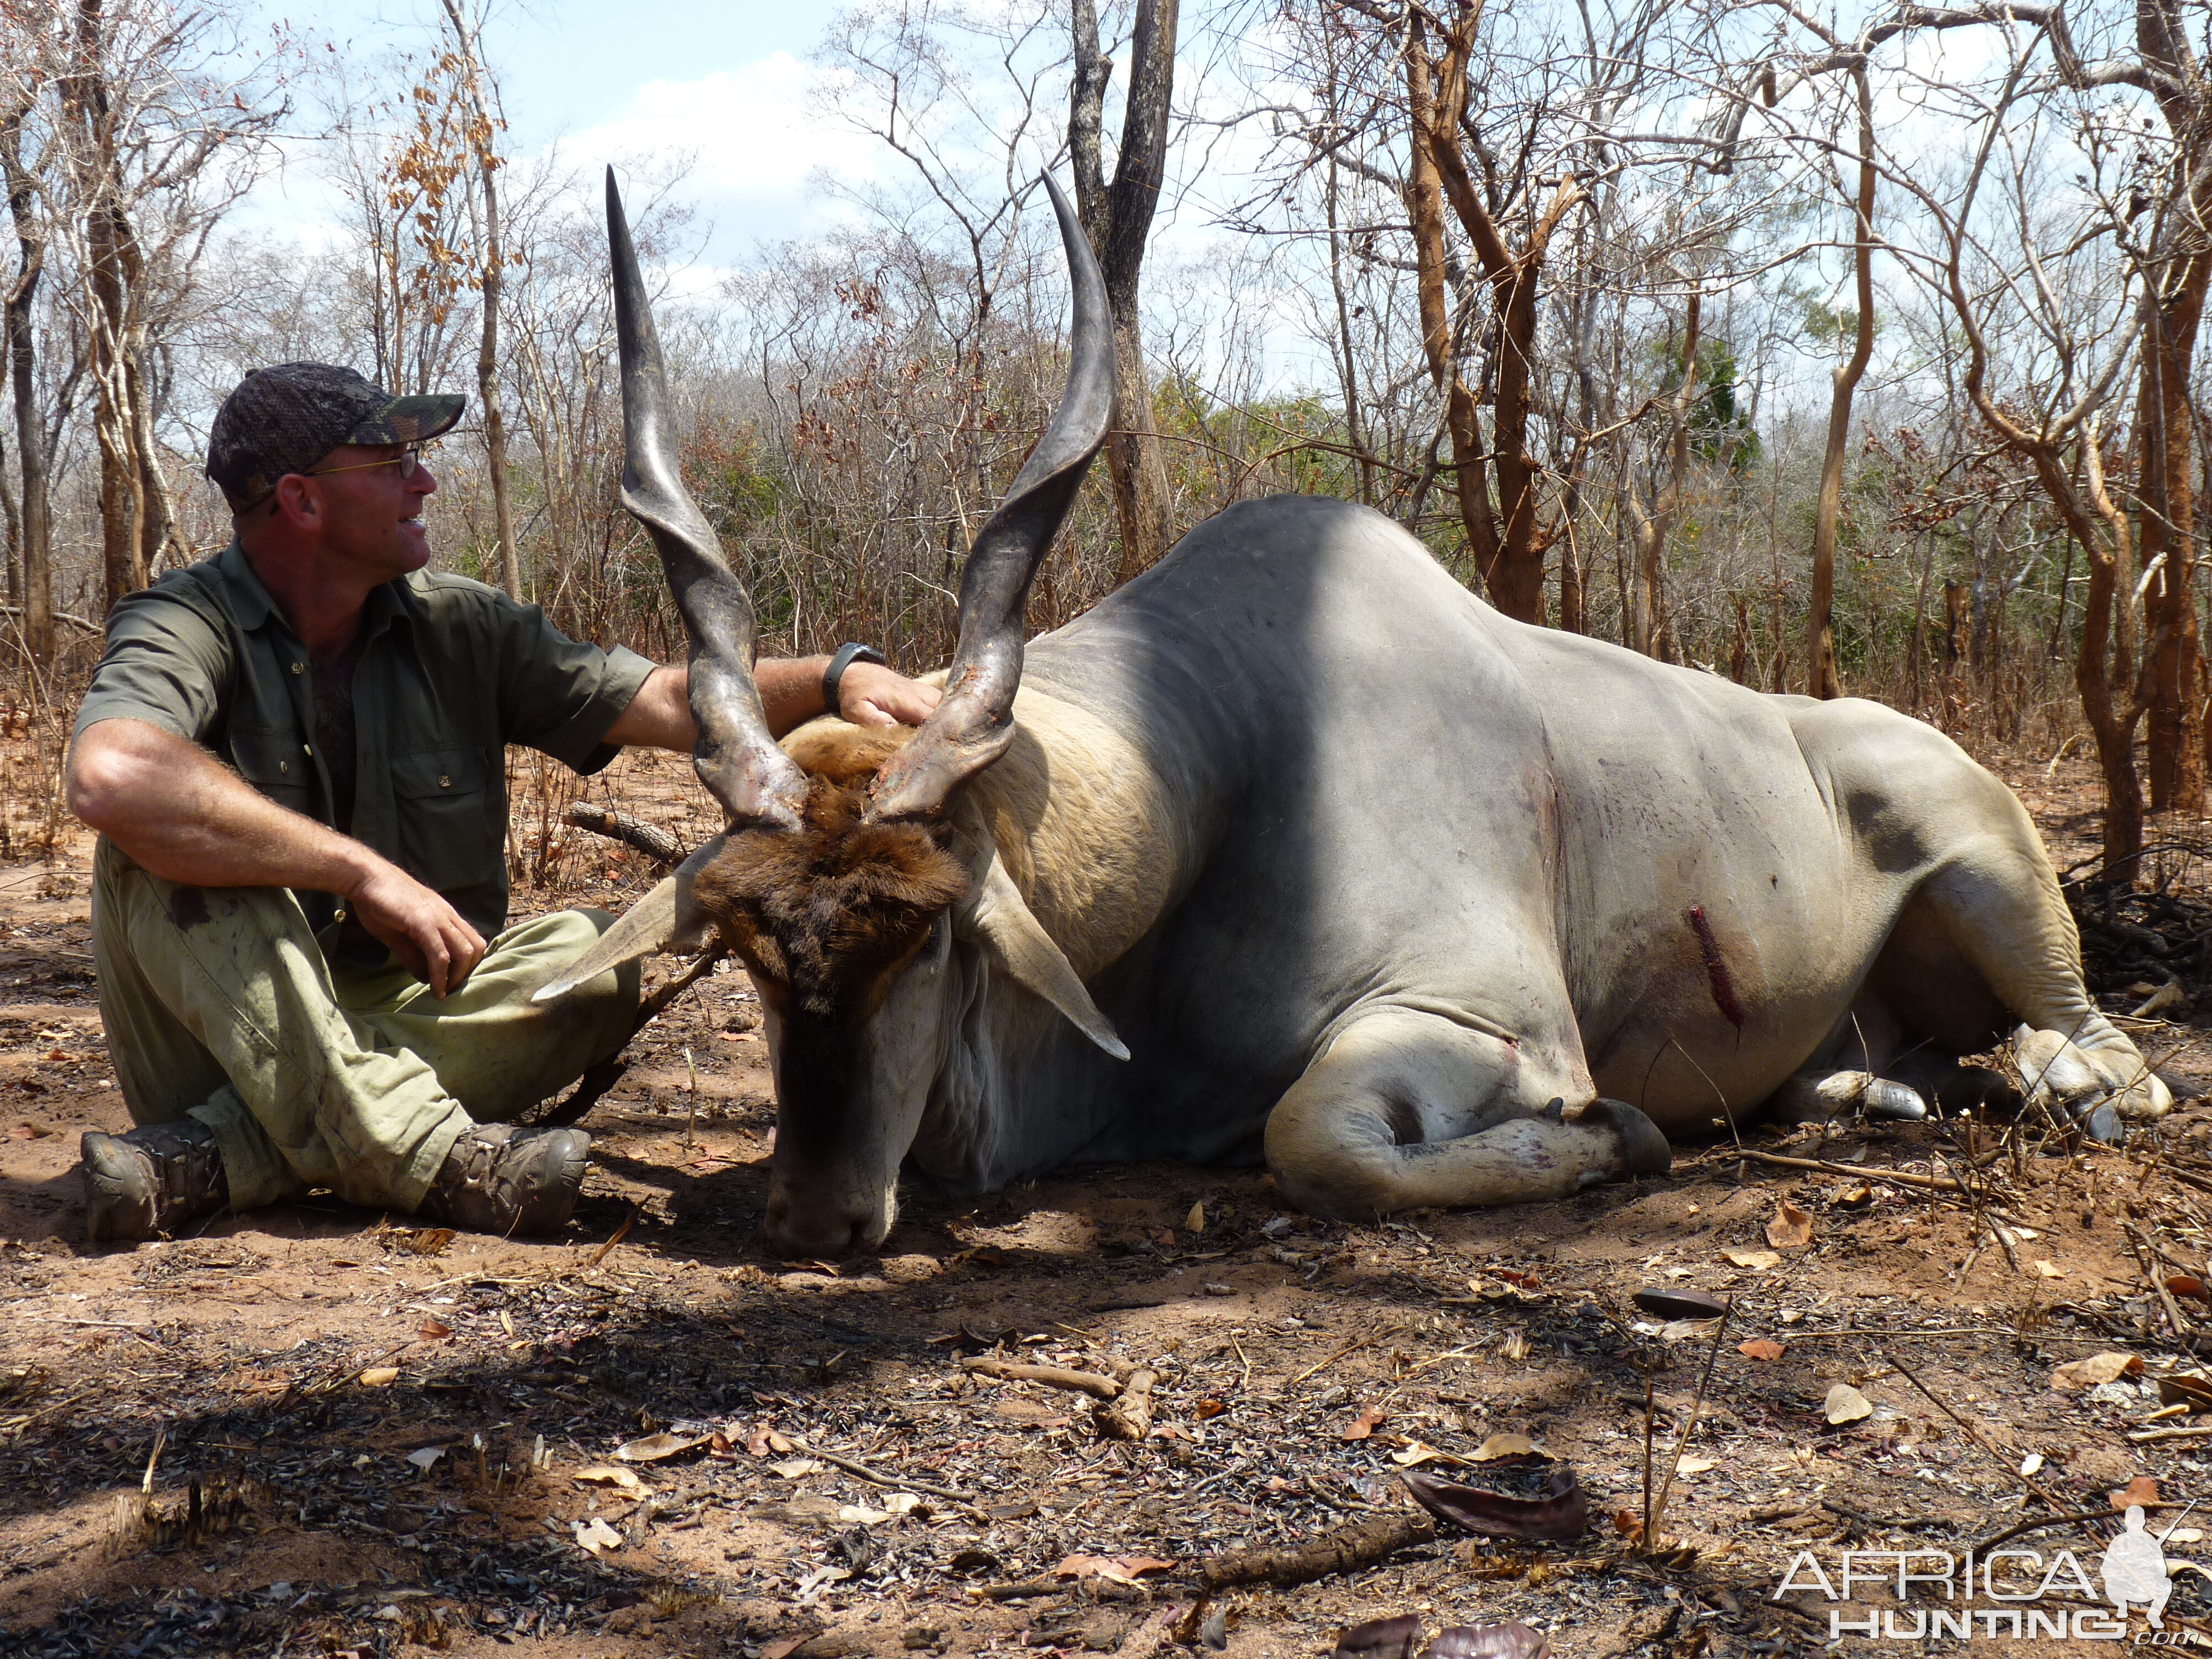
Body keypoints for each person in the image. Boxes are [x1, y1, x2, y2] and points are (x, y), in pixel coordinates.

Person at [62, 363, 937, 1244]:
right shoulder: (184, 621)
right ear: (302, 500)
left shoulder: (461, 625)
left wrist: (833, 676)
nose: (425, 480)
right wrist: (356, 870)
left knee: (595, 958)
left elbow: (669, 702)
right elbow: (111, 776)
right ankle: (436, 1158)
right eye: (392, 461)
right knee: (169, 843)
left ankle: (218, 1158)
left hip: (398, 1019)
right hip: (219, 1044)